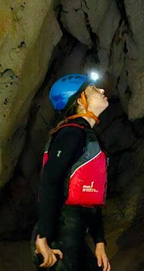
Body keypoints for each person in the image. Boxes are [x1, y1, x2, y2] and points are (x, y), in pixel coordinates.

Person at [33, 72, 112, 271]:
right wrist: (43, 236)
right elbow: (50, 181)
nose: (102, 90)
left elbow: (90, 197)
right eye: (94, 89)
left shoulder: (88, 137)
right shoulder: (70, 133)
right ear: (80, 100)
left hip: (75, 236)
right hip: (59, 237)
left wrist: (100, 241)